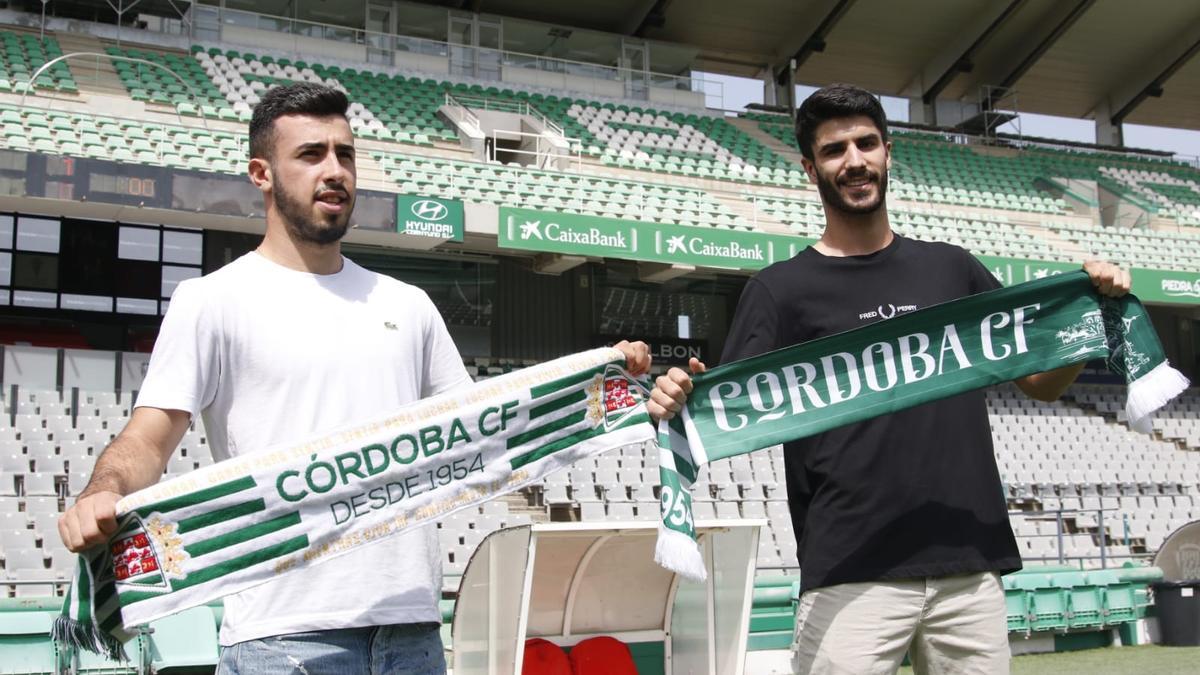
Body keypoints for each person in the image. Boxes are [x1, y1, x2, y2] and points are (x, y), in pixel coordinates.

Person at [57, 82, 651, 674]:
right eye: (311, 154)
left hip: (412, 631)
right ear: (261, 173)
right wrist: (102, 491)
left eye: (345, 154)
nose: (335, 170)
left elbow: (488, 432)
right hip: (283, 640)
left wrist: (615, 384)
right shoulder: (212, 300)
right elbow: (148, 438)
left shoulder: (409, 303)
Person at [647, 83, 1130, 674]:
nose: (854, 160)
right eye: (834, 150)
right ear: (810, 168)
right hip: (852, 568)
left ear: (887, 151)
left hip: (967, 565)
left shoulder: (952, 268)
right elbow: (727, 412)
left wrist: (1087, 320)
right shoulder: (779, 291)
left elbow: (1040, 384)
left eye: (866, 143)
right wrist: (676, 395)